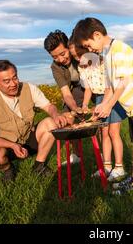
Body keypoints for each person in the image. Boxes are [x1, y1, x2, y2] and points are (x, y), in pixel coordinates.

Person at [73, 17, 133, 195]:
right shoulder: (108, 53)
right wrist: (103, 105)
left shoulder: (118, 49)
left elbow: (123, 81)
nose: (89, 50)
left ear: (97, 35)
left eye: (88, 45)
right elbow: (111, 86)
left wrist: (109, 104)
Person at [0, 60, 68, 183]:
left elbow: (48, 106)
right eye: (6, 81)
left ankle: (39, 166)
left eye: (15, 78)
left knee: (51, 122)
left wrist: (56, 114)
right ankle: (8, 168)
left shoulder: (29, 88)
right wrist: (13, 145)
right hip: (7, 146)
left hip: (29, 139)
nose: (13, 84)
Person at [69, 36, 127, 182]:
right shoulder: (81, 68)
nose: (78, 59)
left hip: (111, 96)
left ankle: (119, 167)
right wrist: (84, 105)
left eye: (79, 54)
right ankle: (106, 166)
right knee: (104, 132)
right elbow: (88, 89)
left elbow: (110, 86)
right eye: (74, 57)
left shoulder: (102, 62)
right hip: (100, 99)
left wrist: (106, 104)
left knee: (114, 132)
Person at [44, 30, 84, 165]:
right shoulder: (55, 67)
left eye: (63, 53)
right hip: (76, 88)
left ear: (69, 46)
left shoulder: (81, 54)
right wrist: (74, 108)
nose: (61, 59)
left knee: (99, 117)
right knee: (68, 116)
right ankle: (77, 154)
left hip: (93, 85)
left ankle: (103, 153)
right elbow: (66, 93)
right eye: (55, 57)